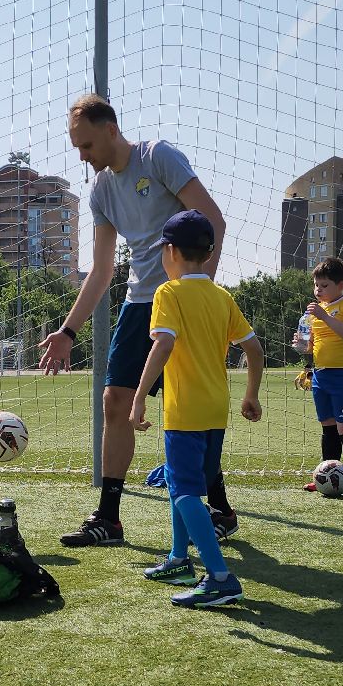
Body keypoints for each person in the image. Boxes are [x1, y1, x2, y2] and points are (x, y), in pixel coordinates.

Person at [38, 94, 232, 548]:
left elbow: (214, 222)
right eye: (76, 148)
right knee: (114, 401)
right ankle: (109, 518)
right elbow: (103, 271)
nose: (82, 157)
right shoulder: (101, 191)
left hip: (182, 300)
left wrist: (197, 293)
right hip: (139, 303)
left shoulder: (158, 157)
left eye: (86, 145)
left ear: (111, 130)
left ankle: (220, 509)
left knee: (189, 409)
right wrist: (67, 331)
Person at [128, 211, 263, 608]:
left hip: (185, 410)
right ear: (208, 253)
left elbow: (164, 343)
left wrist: (139, 396)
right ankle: (178, 560)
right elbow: (254, 349)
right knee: (179, 482)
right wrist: (251, 395)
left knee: (186, 492)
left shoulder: (168, 293)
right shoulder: (222, 297)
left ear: (170, 251)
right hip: (216, 408)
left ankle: (220, 578)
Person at [294, 256, 343, 498]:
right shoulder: (314, 313)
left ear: (340, 285)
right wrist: (302, 345)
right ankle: (325, 476)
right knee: (328, 428)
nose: (318, 290)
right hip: (321, 375)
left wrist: (324, 317)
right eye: (316, 285)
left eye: (324, 285)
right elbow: (313, 346)